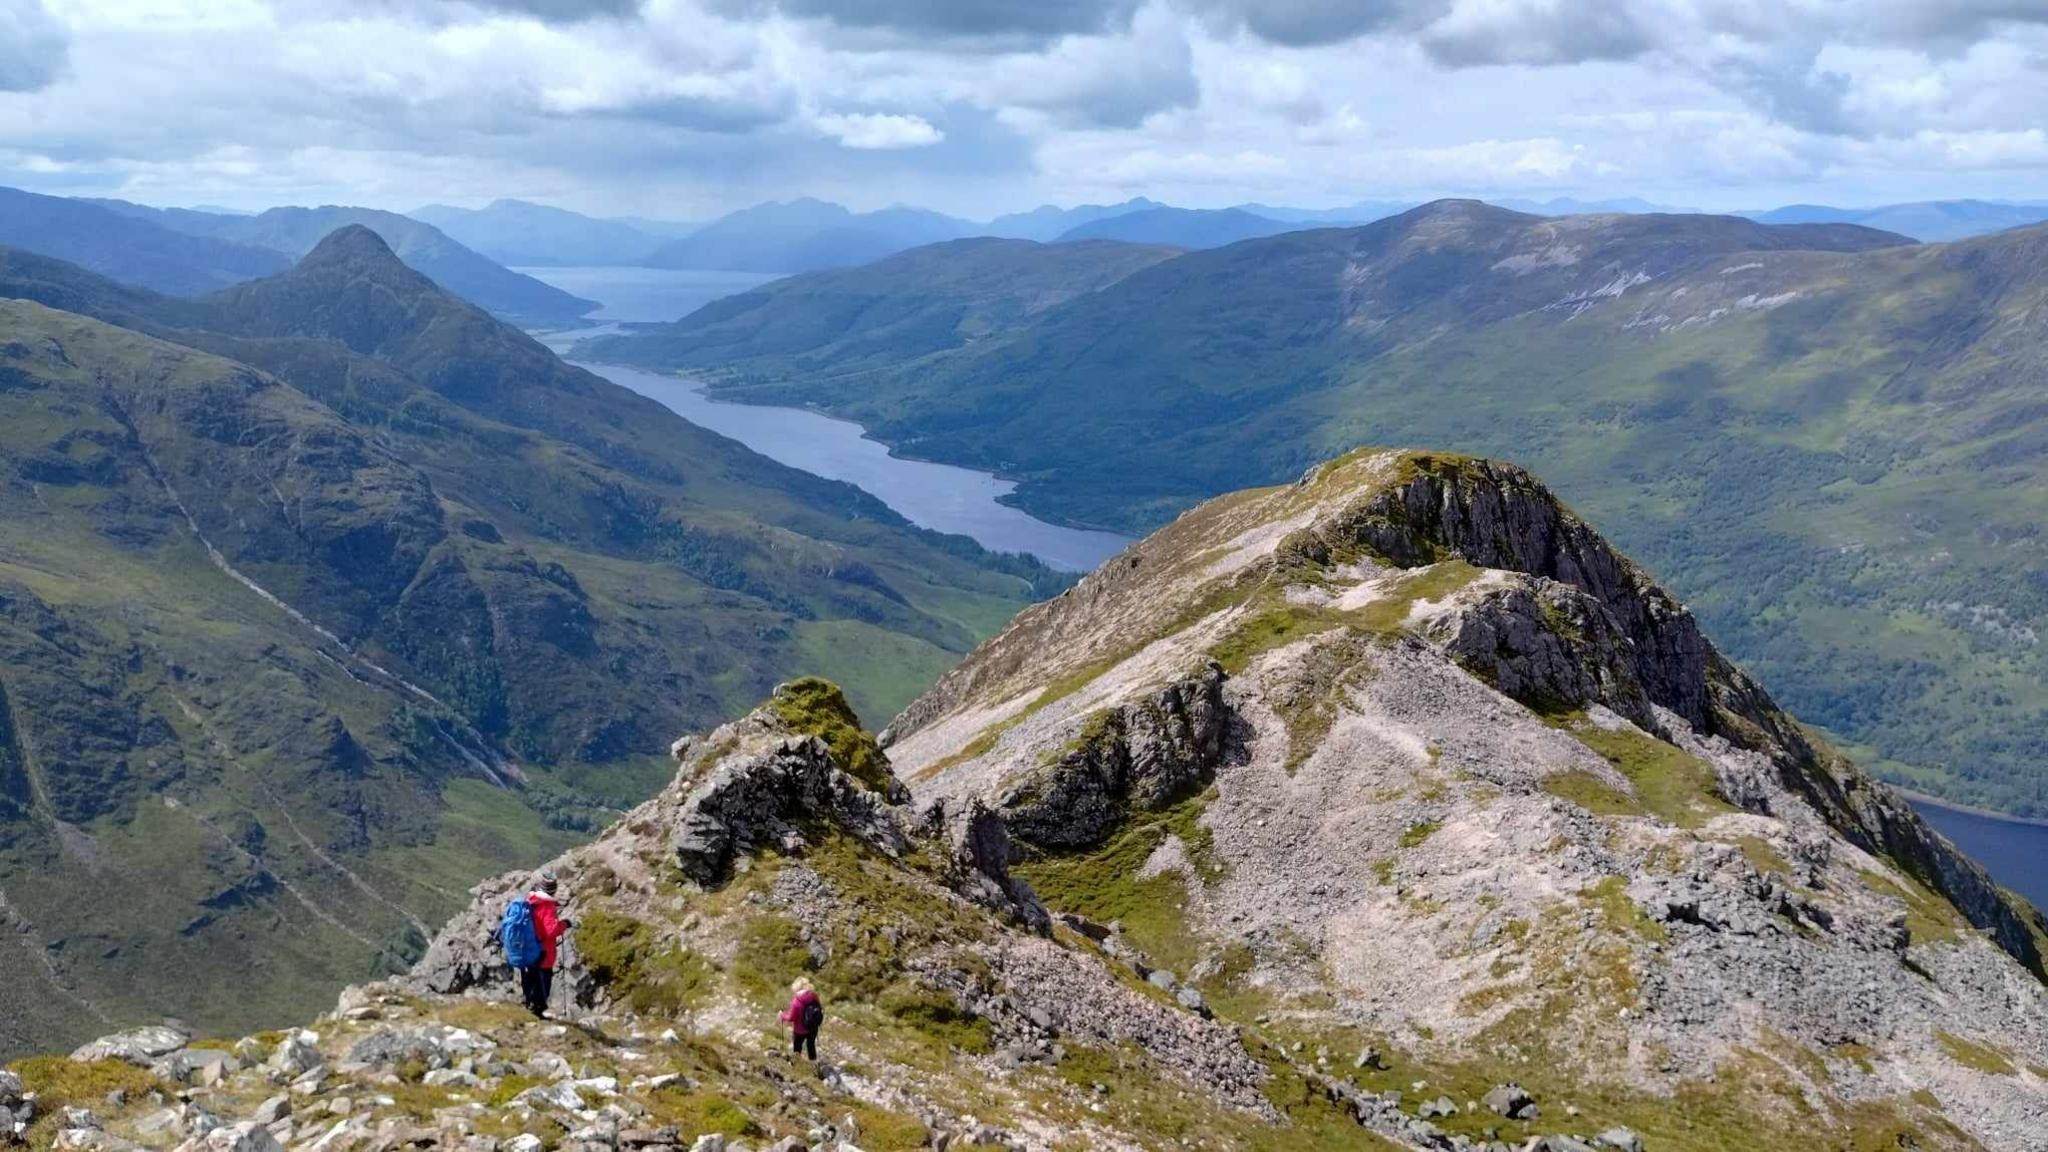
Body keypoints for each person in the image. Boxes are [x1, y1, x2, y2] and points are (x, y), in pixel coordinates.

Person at [520, 870, 571, 1018]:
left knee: (530, 979)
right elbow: (551, 931)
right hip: (543, 952)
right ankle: (537, 1012)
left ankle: (528, 1007)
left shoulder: (530, 900)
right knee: (542, 984)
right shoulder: (547, 906)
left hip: (529, 949)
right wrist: (565, 924)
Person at [780, 977, 823, 1061]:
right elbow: (819, 1008)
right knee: (811, 1045)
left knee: (797, 1048)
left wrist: (782, 1016)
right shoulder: (814, 996)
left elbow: (791, 1018)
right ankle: (814, 1063)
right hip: (813, 1027)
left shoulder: (796, 1001)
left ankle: (797, 1064)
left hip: (800, 1030)